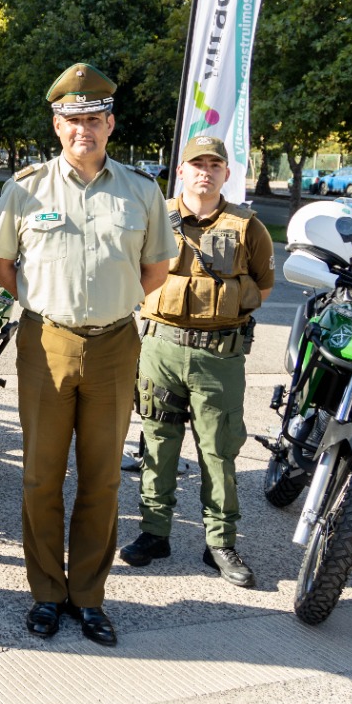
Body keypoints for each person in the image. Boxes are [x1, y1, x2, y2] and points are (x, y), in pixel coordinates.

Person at [0, 62, 176, 646]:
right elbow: (1, 265)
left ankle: (89, 596)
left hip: (117, 345)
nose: (83, 130)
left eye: (93, 119)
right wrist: (50, 305)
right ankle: (46, 592)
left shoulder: (142, 192)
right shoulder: (25, 189)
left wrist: (107, 304)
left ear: (110, 124)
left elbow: (156, 270)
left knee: (101, 479)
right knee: (42, 476)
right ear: (57, 126)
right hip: (46, 343)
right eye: (73, 121)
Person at [119, 135, 274, 588]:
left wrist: (218, 315)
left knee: (219, 450)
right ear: (181, 171)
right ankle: (153, 533)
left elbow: (262, 287)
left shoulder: (248, 227)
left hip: (218, 357)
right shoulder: (155, 216)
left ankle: (220, 543)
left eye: (214, 164)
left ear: (226, 173)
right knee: (157, 443)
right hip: (160, 351)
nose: (205, 171)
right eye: (196, 164)